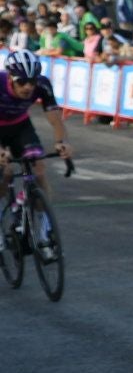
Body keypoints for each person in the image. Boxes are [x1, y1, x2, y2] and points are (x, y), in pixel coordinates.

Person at [0, 50, 73, 244]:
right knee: (5, 172)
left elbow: (55, 119)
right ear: (10, 77)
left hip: (20, 126)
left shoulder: (42, 84)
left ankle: (43, 229)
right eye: (22, 81)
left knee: (38, 168)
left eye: (32, 81)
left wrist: (62, 142)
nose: (28, 87)